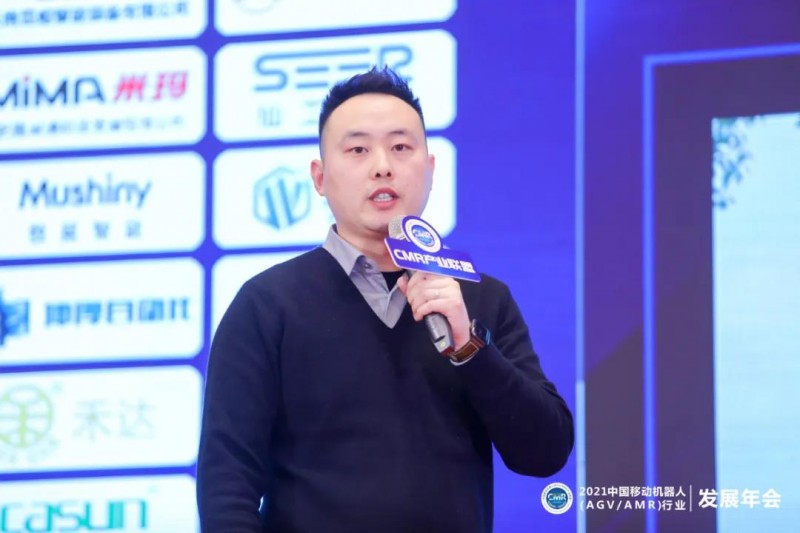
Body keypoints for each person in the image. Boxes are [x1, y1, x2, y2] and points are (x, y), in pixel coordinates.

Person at [196, 67, 574, 532]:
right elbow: (227, 481)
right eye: (358, 149)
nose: (382, 166)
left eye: (400, 147)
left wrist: (470, 349)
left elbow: (545, 452)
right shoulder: (267, 304)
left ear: (430, 170)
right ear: (320, 177)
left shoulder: (480, 298)